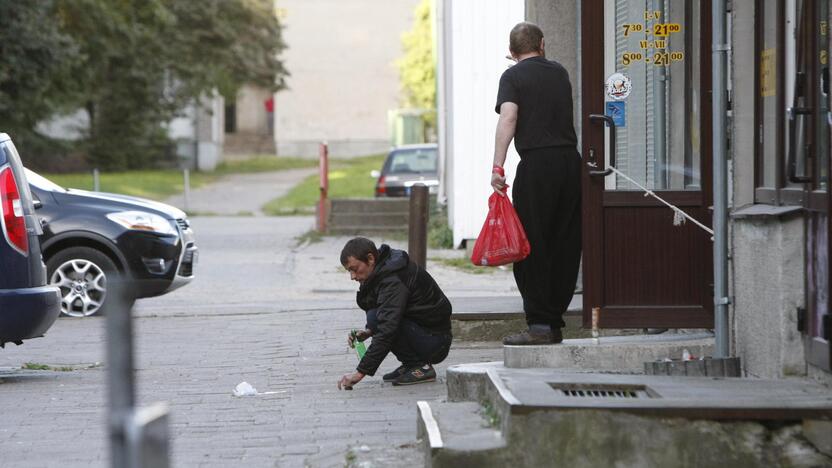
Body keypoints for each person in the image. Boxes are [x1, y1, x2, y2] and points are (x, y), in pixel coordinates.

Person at [491, 22, 581, 346]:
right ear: (542, 43)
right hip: (570, 163)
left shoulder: (512, 77)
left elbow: (509, 118)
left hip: (538, 166)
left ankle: (540, 325)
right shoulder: (559, 72)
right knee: (566, 242)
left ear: (512, 52)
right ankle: (553, 320)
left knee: (531, 244)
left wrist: (498, 166)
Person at [336, 237, 453, 389]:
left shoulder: (393, 279)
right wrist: (368, 332)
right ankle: (411, 364)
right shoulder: (383, 270)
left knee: (383, 323)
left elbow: (387, 328)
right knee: (374, 318)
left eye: (354, 269)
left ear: (370, 258)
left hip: (435, 342)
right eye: (348, 271)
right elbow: (382, 312)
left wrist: (359, 373)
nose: (352, 276)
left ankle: (421, 367)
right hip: (424, 332)